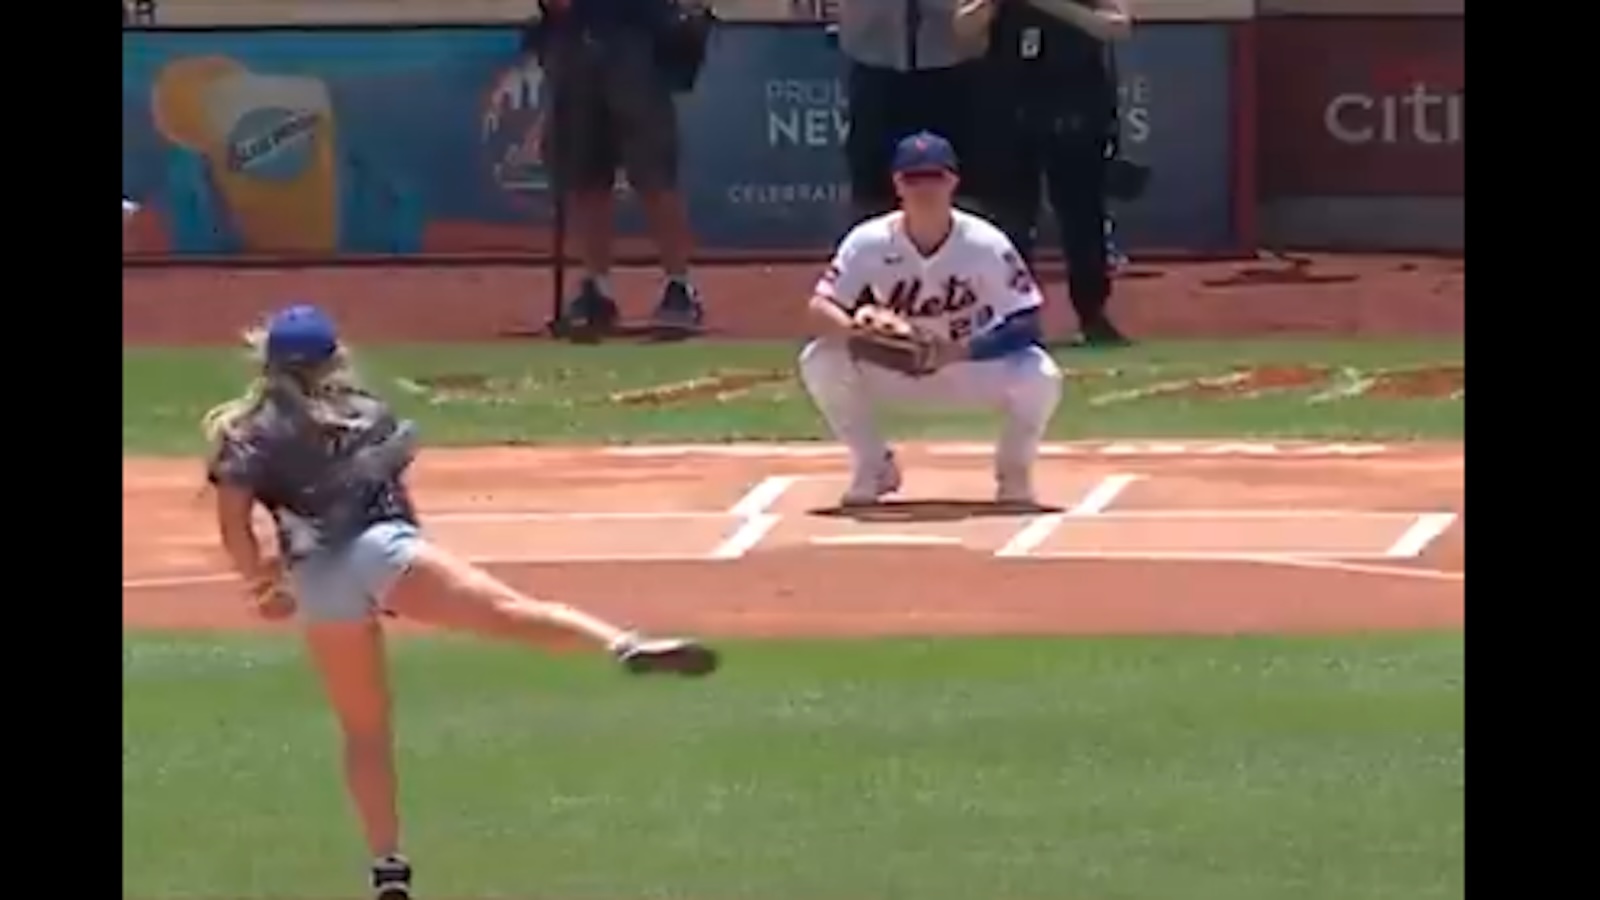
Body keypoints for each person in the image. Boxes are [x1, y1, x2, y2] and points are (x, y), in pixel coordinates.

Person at [201, 304, 719, 900]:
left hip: (320, 582)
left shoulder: (242, 431)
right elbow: (390, 498)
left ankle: (387, 868)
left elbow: (234, 525)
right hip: (384, 552)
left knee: (364, 731)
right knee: (511, 611)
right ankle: (622, 643)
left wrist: (263, 586)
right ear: (334, 357)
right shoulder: (370, 415)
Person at [798, 132, 1063, 505]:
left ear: (953, 181)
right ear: (897, 184)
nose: (924, 188)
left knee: (1040, 375)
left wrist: (957, 351)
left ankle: (1013, 472)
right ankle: (874, 465)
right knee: (821, 359)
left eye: (934, 177)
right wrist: (856, 331)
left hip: (968, 369)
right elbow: (818, 308)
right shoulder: (868, 241)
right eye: (913, 178)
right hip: (897, 368)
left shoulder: (985, 243)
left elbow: (1027, 321)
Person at [525, 0, 705, 336]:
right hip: (573, 38)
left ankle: (680, 285)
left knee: (654, 175)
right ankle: (598, 288)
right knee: (585, 176)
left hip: (635, 39)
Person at [959, 0, 1133, 346]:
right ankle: (1014, 313)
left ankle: (1092, 312)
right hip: (1008, 108)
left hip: (1076, 108)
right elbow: (962, 29)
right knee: (1011, 218)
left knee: (1082, 217)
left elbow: (1117, 26)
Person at [836, 0, 1000, 222]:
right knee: (873, 194)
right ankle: (877, 253)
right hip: (874, 59)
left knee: (964, 190)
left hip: (956, 65)